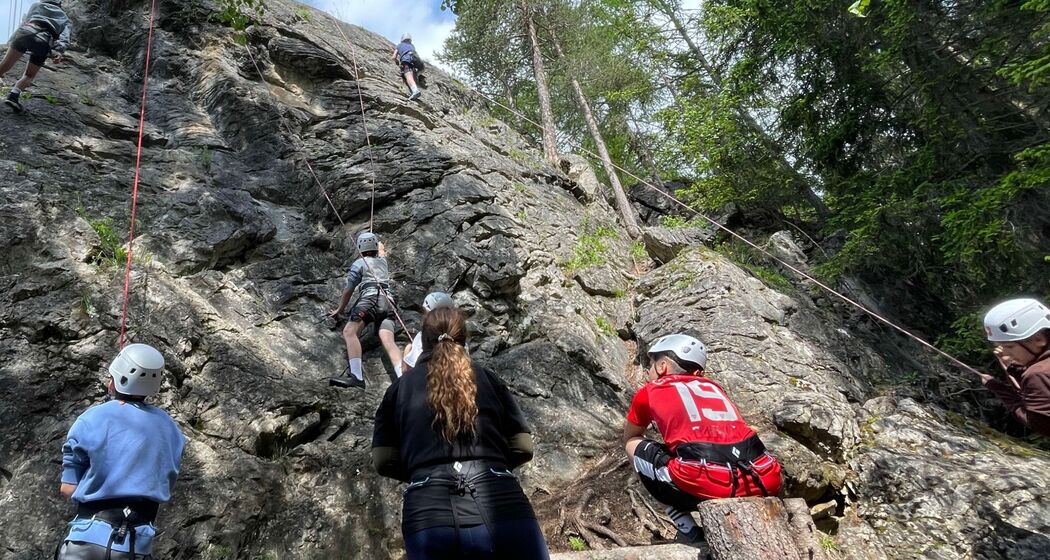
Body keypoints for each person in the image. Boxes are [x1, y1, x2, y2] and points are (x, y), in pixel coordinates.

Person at [372, 307, 548, 559]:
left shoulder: (399, 389)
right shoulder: (488, 378)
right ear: (464, 339)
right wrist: (493, 465)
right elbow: (523, 446)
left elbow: (383, 459)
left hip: (428, 514)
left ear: (424, 340)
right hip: (503, 503)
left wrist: (420, 471)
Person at [624, 334, 782, 542]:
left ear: (662, 367)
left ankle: (687, 528)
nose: (648, 371)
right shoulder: (715, 387)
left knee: (632, 444)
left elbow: (630, 434)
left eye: (651, 364)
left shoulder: (650, 390)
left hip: (708, 480)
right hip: (763, 479)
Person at [56, 343, 186, 560]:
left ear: (114, 380)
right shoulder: (171, 429)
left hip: (85, 540)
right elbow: (165, 481)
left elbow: (68, 488)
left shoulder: (91, 418)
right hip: (135, 544)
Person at [329, 232, 403, 389]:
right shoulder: (382, 261)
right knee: (388, 340)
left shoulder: (359, 264)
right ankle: (404, 379)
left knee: (349, 332)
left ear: (359, 248)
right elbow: (381, 249)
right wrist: (378, 244)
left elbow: (348, 290)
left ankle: (357, 377)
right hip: (388, 303)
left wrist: (340, 309)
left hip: (370, 300)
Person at [979, 298, 1050, 436]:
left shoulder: (1037, 374)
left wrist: (1000, 390)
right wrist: (1014, 369)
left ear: (1039, 340)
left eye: (1009, 346)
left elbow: (1042, 426)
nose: (1005, 353)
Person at [0, 0, 71, 113]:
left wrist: (11, 40)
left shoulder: (36, 5)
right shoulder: (65, 17)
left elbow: (25, 22)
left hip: (26, 32)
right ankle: (13, 96)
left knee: (5, 65)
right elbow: (64, 37)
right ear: (59, 4)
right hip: (44, 41)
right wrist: (59, 52)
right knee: (29, 75)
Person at [401, 291, 455, 372]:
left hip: (421, 376)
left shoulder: (422, 337)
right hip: (452, 375)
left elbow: (407, 369)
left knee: (407, 348)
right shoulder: (457, 339)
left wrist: (407, 352)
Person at [391, 33, 423, 101]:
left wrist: (397, 61)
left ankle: (415, 90)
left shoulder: (399, 45)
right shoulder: (412, 45)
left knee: (407, 74)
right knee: (416, 69)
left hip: (406, 58)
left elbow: (393, 57)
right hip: (416, 57)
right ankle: (417, 73)